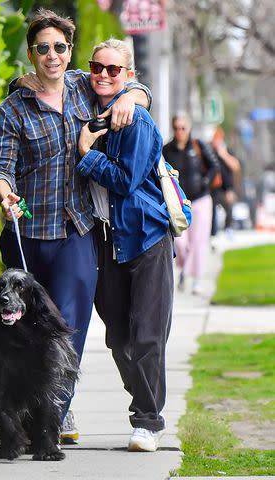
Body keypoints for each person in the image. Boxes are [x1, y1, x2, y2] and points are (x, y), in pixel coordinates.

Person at [0, 8, 151, 445]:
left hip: (76, 231)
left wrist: (134, 98)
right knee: (21, 326)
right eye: (43, 48)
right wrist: (5, 196)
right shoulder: (11, 109)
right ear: (31, 53)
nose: (53, 55)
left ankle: (54, 410)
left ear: (69, 50)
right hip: (27, 234)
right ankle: (25, 407)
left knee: (68, 327)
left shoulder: (84, 85)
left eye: (60, 47)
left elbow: (129, 82)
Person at [76, 39, 174, 453]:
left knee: (148, 335)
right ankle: (145, 406)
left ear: (128, 75)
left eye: (114, 70)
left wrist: (86, 152)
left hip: (147, 236)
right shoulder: (85, 102)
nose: (103, 75)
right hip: (106, 239)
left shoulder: (136, 122)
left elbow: (125, 180)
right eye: (97, 67)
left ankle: (148, 421)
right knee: (118, 337)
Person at [162, 113, 220, 295]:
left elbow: (214, 166)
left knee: (198, 242)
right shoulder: (167, 150)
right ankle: (186, 270)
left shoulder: (198, 145)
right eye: (176, 128)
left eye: (183, 128)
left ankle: (194, 279)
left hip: (201, 199)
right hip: (178, 203)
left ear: (189, 128)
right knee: (180, 242)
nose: (180, 132)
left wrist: (205, 182)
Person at [210, 126, 241, 238]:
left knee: (229, 204)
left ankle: (229, 227)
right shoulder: (209, 152)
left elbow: (235, 166)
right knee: (211, 205)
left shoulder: (227, 152)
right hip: (213, 189)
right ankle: (213, 233)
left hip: (226, 189)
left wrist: (223, 154)